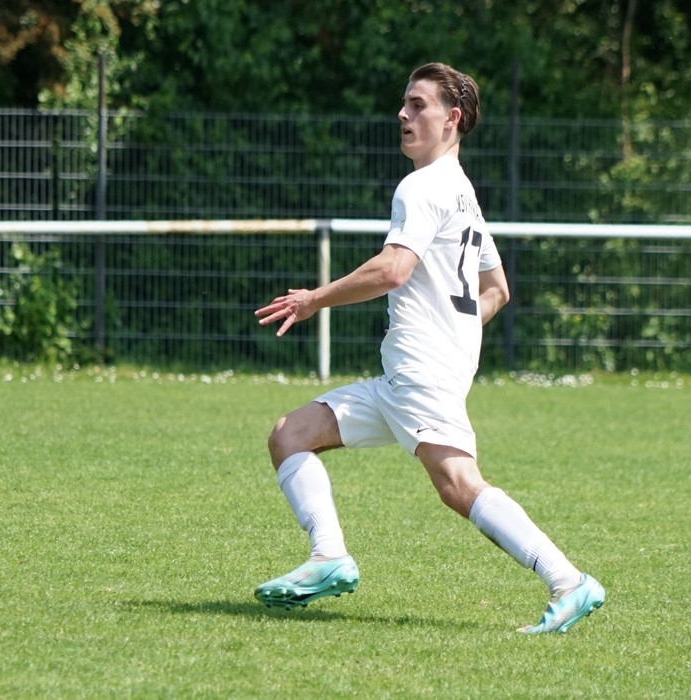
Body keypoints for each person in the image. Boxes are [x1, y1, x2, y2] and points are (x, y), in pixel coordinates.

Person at [252, 62, 604, 634]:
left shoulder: (420, 187)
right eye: (405, 103)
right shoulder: (463, 193)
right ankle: (329, 557)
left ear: (451, 119)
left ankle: (569, 581)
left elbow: (393, 270)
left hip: (422, 372)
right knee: (289, 434)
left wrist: (314, 299)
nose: (403, 114)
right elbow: (497, 290)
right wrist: (456, 333)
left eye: (418, 105)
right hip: (408, 376)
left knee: (459, 485)